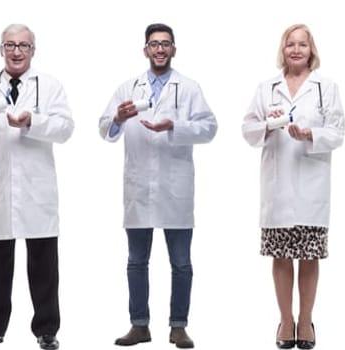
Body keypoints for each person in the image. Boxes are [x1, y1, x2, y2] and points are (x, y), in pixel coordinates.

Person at [99, 23, 216, 349]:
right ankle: (139, 326)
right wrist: (119, 120)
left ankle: (178, 327)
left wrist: (173, 126)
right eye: (154, 44)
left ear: (174, 49)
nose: (160, 49)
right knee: (136, 262)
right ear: (146, 50)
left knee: (181, 263)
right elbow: (104, 129)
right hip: (139, 189)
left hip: (175, 189)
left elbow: (209, 128)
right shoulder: (127, 88)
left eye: (166, 44)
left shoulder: (188, 87)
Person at [0, 23, 74, 350]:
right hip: (0, 189)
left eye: (23, 45)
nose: (17, 51)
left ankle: (47, 330)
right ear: (1, 50)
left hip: (38, 191)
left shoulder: (49, 86)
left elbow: (65, 129)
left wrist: (31, 122)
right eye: (10, 45)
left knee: (44, 267)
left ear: (33, 50)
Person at [240, 23, 345, 350]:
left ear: (311, 50)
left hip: (311, 183)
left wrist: (310, 135)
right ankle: (286, 321)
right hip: (278, 183)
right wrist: (268, 129)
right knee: (282, 256)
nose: (296, 50)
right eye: (290, 44)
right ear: (282, 50)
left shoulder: (325, 87)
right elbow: (248, 128)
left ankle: (306, 320)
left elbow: (338, 132)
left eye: (302, 44)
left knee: (309, 256)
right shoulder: (267, 87)